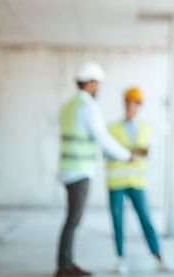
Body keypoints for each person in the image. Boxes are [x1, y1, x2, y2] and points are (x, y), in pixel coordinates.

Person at [55, 61, 141, 277]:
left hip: (68, 168)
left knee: (71, 219)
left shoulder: (69, 104)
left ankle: (66, 263)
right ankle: (64, 266)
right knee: (73, 219)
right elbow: (102, 137)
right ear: (91, 83)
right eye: (98, 84)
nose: (98, 89)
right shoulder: (87, 106)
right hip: (80, 170)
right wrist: (126, 155)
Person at [105, 87, 167, 274]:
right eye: (129, 103)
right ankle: (120, 258)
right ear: (125, 104)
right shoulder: (112, 128)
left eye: (135, 103)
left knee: (146, 219)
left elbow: (151, 151)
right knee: (117, 221)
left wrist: (132, 151)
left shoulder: (146, 127)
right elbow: (107, 151)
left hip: (137, 182)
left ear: (139, 106)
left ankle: (158, 257)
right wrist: (130, 152)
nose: (132, 107)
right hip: (116, 182)